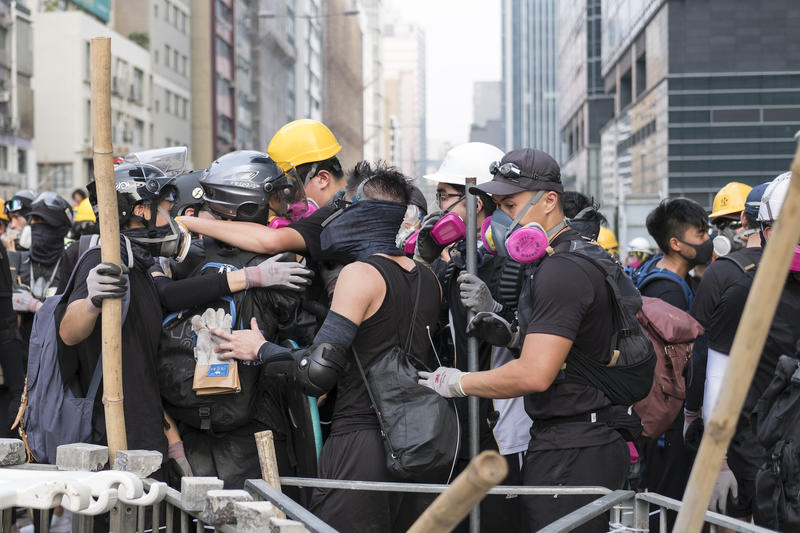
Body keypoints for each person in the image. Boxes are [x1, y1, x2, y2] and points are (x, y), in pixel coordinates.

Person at [211, 161, 443, 532]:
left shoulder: (360, 274)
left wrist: (261, 349)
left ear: (366, 215)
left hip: (362, 444)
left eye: (346, 205)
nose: (336, 216)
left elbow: (317, 372)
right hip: (418, 444)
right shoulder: (427, 276)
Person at [419, 148, 629, 532]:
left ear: (550, 200)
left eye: (510, 204)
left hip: (574, 444)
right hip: (566, 437)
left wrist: (458, 383)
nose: (503, 217)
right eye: (497, 204)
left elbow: (535, 374)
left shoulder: (562, 269)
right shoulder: (558, 260)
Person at [156, 150, 316, 489]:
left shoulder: (189, 252)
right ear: (248, 201)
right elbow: (300, 330)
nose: (282, 204)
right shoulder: (278, 261)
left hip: (188, 420)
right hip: (252, 426)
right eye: (274, 196)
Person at [417, 141, 527, 532]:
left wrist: (494, 309)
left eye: (445, 197)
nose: (439, 207)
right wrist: (423, 260)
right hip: (462, 420)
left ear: (475, 202)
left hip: (503, 427)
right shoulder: (456, 265)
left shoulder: (514, 262)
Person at [55, 161, 184, 466]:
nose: (171, 212)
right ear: (140, 209)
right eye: (165, 203)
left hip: (146, 431)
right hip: (108, 436)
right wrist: (90, 302)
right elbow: (68, 331)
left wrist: (172, 438)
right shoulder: (103, 258)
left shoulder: (138, 262)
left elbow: (143, 367)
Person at [699, 173, 800, 526]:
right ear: (770, 233)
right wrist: (720, 460)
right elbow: (717, 379)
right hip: (771, 462)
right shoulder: (745, 293)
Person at [632, 197, 711, 528]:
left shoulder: (654, 275)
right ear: (676, 243)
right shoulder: (668, 293)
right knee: (668, 502)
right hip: (670, 418)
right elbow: (673, 365)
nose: (708, 240)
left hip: (665, 417)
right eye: (701, 233)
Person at [178, 119, 347, 260]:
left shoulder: (334, 217)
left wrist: (189, 222)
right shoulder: (351, 204)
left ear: (323, 179)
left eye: (294, 188)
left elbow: (271, 241)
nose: (293, 199)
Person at [8, 192, 74, 341]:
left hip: (58, 351)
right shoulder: (14, 260)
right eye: (35, 220)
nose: (38, 226)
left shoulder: (71, 265)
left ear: (62, 229)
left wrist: (38, 306)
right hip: (20, 354)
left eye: (46, 221)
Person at [708, 181, 752, 257]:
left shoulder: (772, 259)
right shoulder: (715, 264)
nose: (726, 231)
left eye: (734, 224)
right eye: (721, 224)